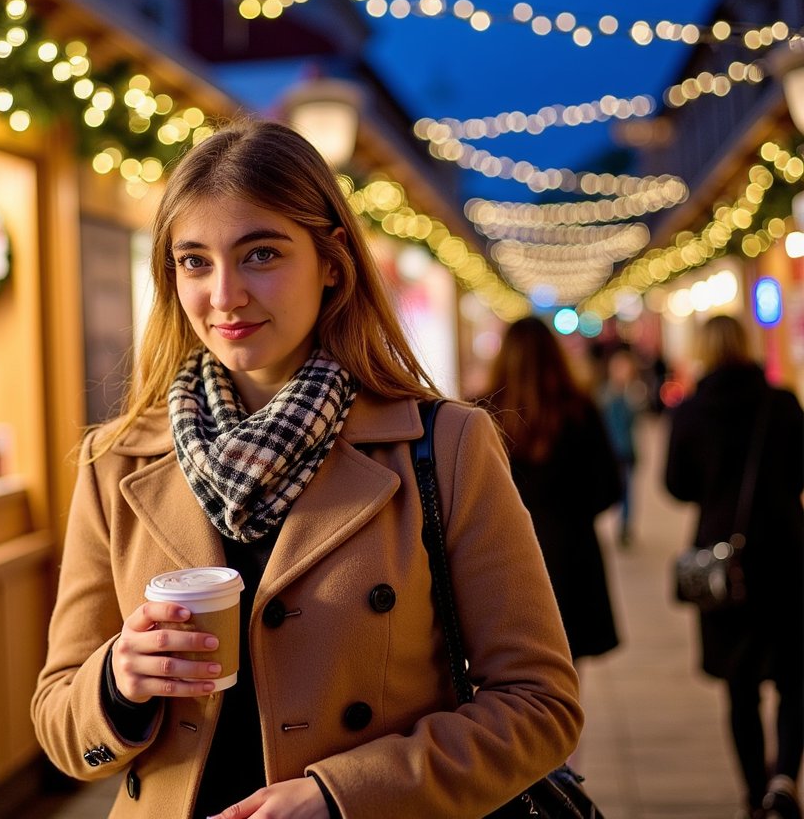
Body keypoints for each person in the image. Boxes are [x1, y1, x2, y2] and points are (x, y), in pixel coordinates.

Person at [31, 120, 582, 819]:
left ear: (332, 262)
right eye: (194, 261)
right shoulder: (116, 462)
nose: (224, 295)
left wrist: (342, 796)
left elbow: (541, 706)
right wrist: (117, 680)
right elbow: (58, 723)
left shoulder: (444, 445)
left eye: (260, 254)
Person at [665, 314, 803, 819]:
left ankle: (753, 794)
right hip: (787, 556)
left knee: (739, 685)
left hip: (725, 564)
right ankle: (785, 777)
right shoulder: (781, 403)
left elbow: (676, 485)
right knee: (795, 676)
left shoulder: (693, 411)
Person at [484, 316, 622, 664]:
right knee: (568, 673)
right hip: (571, 554)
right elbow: (608, 488)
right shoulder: (579, 410)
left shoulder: (483, 415)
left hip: (500, 560)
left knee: (506, 670)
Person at [599, 348, 640, 547]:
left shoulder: (631, 393)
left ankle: (624, 527)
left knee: (628, 492)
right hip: (613, 451)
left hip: (627, 451)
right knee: (620, 491)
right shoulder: (607, 395)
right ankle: (621, 525)